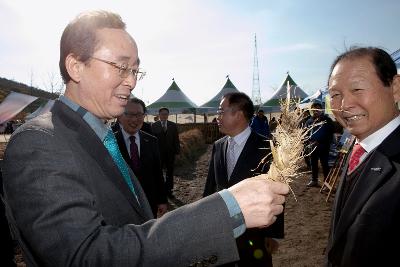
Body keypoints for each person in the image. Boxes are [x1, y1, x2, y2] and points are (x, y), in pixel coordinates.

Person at [1, 10, 289, 267]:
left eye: (136, 69)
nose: (132, 80)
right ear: (76, 66)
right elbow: (84, 255)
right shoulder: (39, 142)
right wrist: (225, 210)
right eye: (121, 67)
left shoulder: (99, 133)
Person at [325, 46, 400, 266]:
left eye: (357, 89)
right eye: (335, 95)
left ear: (395, 88)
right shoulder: (359, 149)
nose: (344, 105)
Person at [204, 92, 282, 267]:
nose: (217, 117)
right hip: (223, 230)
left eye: (221, 111)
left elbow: (278, 190)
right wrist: (206, 220)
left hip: (255, 231)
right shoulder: (218, 146)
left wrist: (273, 233)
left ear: (238, 114)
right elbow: (211, 186)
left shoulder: (267, 147)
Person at [114, 97, 167, 217]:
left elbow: (157, 173)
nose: (134, 119)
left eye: (139, 115)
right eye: (129, 114)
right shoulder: (110, 142)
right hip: (121, 205)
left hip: (149, 202)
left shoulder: (152, 141)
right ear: (120, 116)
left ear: (144, 116)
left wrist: (162, 200)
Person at [151, 107, 180, 198]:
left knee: (170, 172)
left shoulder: (173, 125)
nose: (164, 116)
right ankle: (160, 191)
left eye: (166, 114)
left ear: (168, 115)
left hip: (170, 153)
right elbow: (152, 140)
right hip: (158, 154)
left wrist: (177, 152)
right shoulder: (154, 125)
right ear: (159, 115)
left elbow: (176, 139)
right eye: (162, 114)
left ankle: (169, 191)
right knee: (158, 172)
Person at [305, 102, 334, 187]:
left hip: (324, 146)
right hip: (312, 146)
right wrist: (308, 141)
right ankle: (314, 180)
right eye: (314, 110)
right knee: (313, 164)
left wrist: (321, 141)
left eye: (317, 109)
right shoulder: (309, 121)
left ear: (321, 110)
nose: (315, 111)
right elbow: (305, 133)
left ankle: (327, 183)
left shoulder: (327, 120)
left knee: (324, 164)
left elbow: (330, 133)